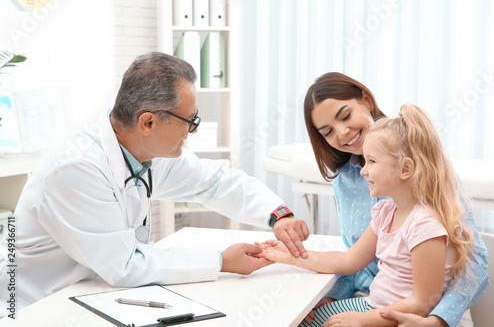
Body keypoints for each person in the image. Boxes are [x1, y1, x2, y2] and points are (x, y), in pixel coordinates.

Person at [0, 52, 309, 316]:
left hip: (92, 292)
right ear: (148, 122)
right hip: (33, 305)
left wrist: (278, 214)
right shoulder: (76, 169)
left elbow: (214, 182)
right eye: (191, 121)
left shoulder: (143, 149)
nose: (193, 131)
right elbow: (123, 265)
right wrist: (221, 261)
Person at [261, 103, 478, 326]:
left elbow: (423, 304)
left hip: (401, 317)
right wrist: (293, 256)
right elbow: (349, 260)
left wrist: (363, 320)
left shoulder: (424, 225)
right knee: (296, 320)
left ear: (405, 169)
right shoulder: (385, 213)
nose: (363, 170)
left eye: (372, 162)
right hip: (372, 306)